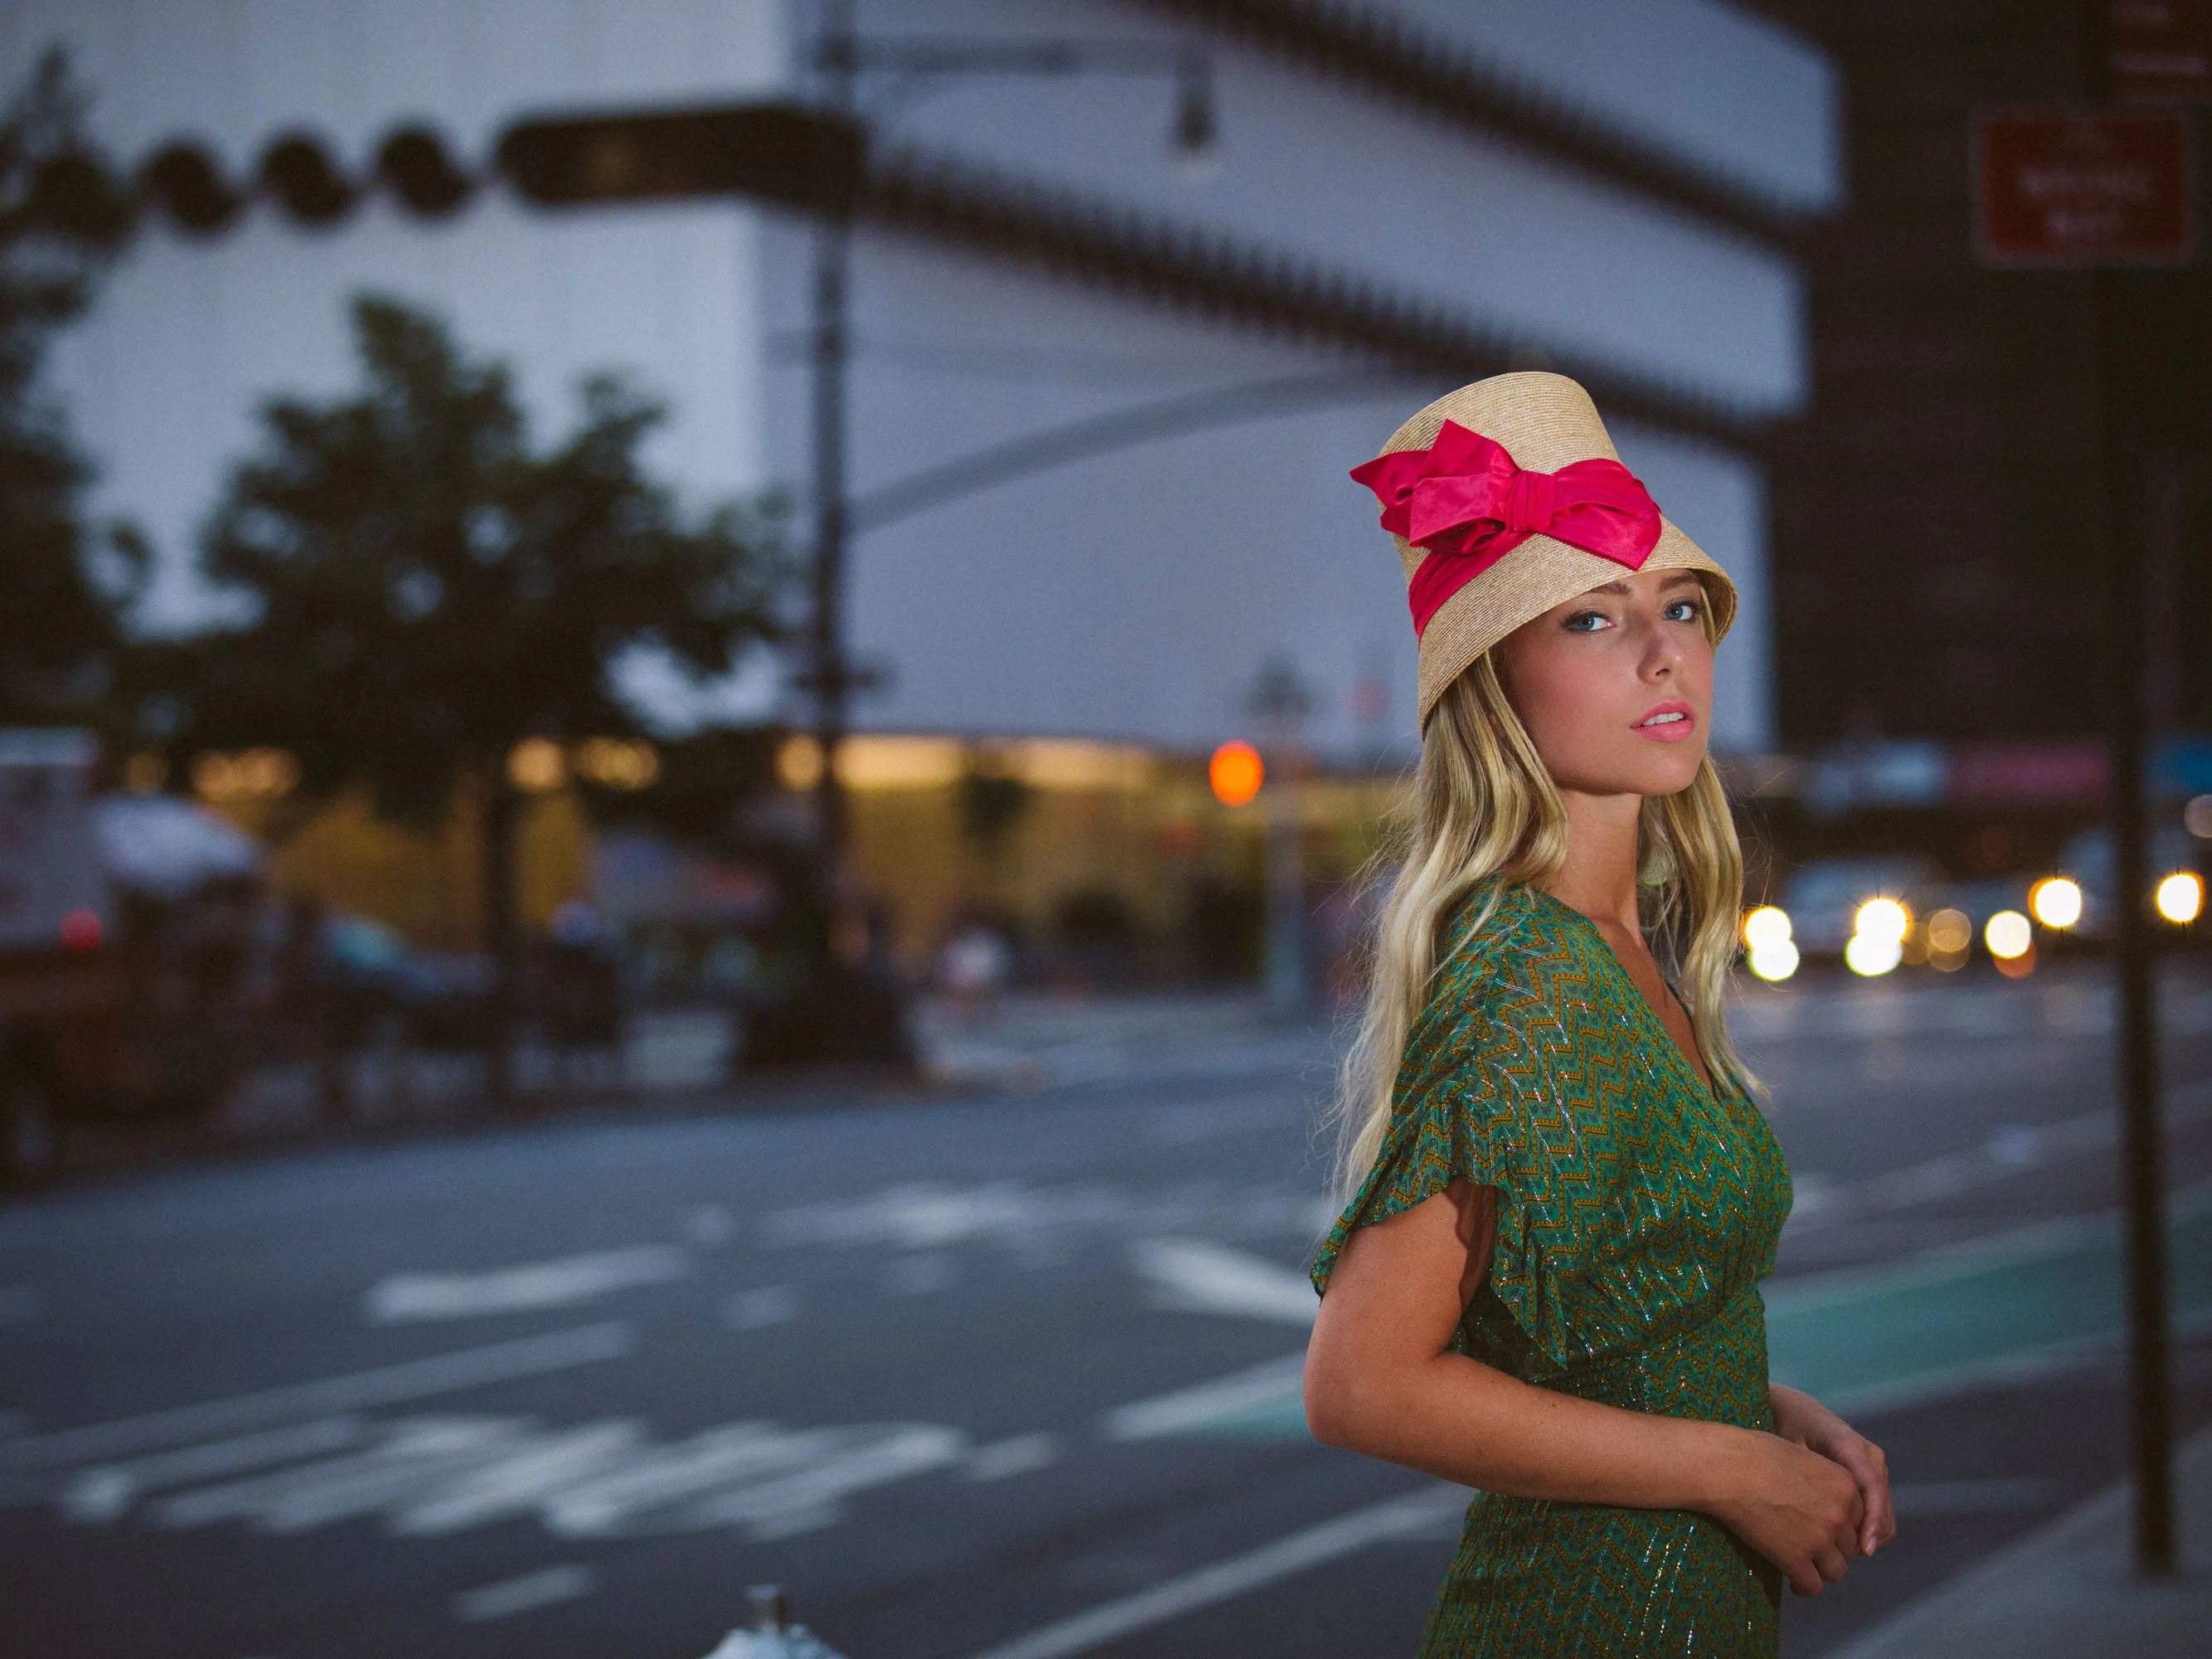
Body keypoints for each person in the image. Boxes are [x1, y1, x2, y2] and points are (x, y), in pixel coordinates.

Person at [1304, 373, 1894, 1657]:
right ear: (1492, 678)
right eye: (1587, 619)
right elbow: (1362, 1383)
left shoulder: (1626, 948)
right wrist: (1726, 1470)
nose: (1662, 650)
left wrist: (1759, 1414)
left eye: (1675, 607)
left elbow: (1607, 1331)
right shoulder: (1530, 976)